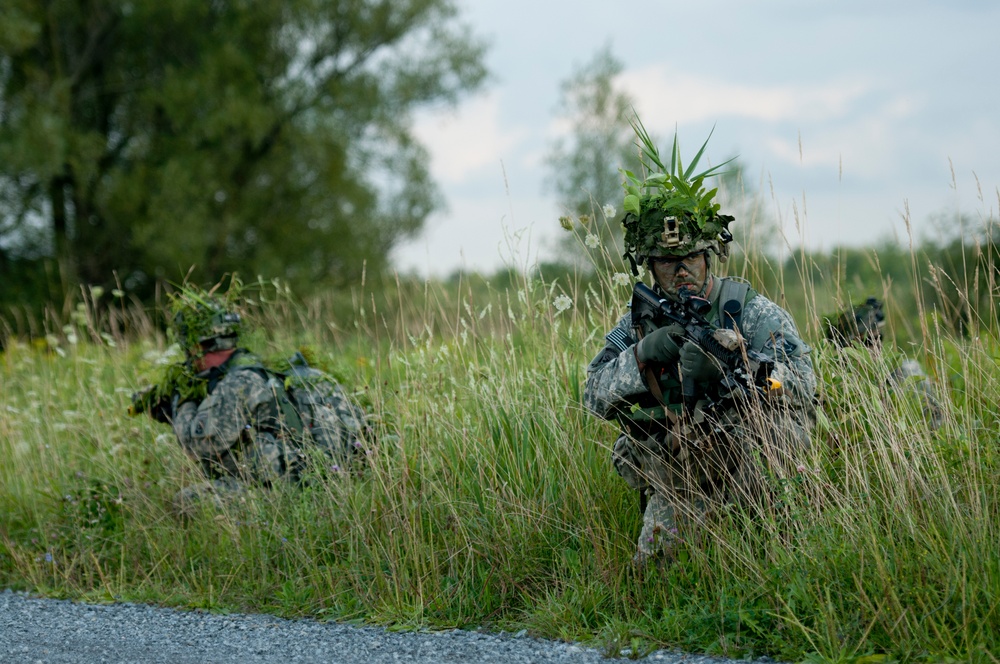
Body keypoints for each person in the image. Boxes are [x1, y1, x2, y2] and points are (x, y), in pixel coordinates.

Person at [583, 120, 817, 565]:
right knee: (656, 580)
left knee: (770, 559)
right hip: (682, 470)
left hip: (754, 465)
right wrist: (641, 356)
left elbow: (802, 382)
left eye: (690, 257)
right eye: (667, 262)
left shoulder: (746, 310)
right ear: (650, 267)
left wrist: (738, 373)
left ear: (708, 256)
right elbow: (593, 395)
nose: (681, 271)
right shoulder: (639, 321)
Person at [132, 284, 369, 515]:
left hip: (285, 495)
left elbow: (196, 446)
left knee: (185, 502)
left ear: (196, 347)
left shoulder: (239, 382)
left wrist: (180, 402)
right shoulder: (277, 371)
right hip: (334, 482)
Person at [823, 297, 943, 429]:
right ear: (845, 349)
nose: (876, 346)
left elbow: (937, 421)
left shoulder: (907, 373)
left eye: (878, 338)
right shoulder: (835, 388)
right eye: (867, 342)